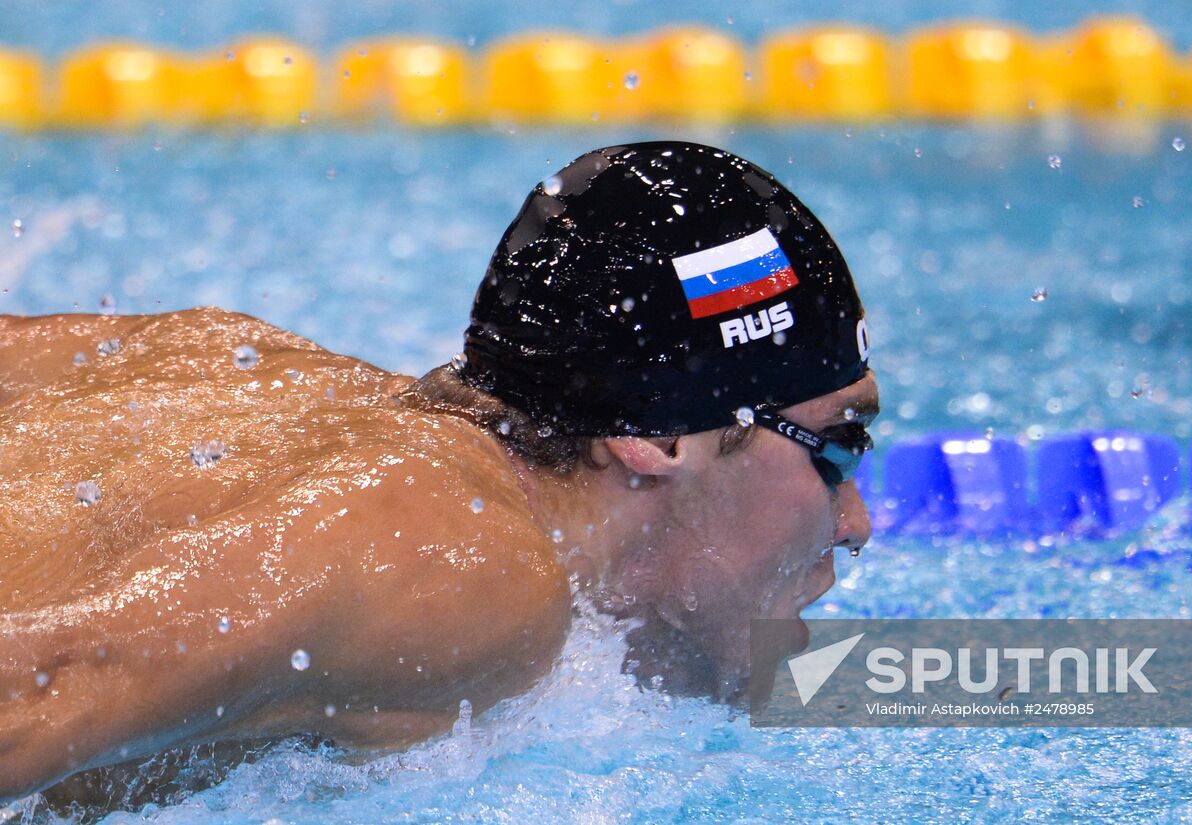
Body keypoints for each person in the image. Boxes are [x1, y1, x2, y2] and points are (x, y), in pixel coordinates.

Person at [0, 140, 879, 806]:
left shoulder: (249, 372)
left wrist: (1004, 678)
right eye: (838, 449)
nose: (856, 521)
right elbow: (41, 686)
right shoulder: (460, 563)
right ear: (654, 437)